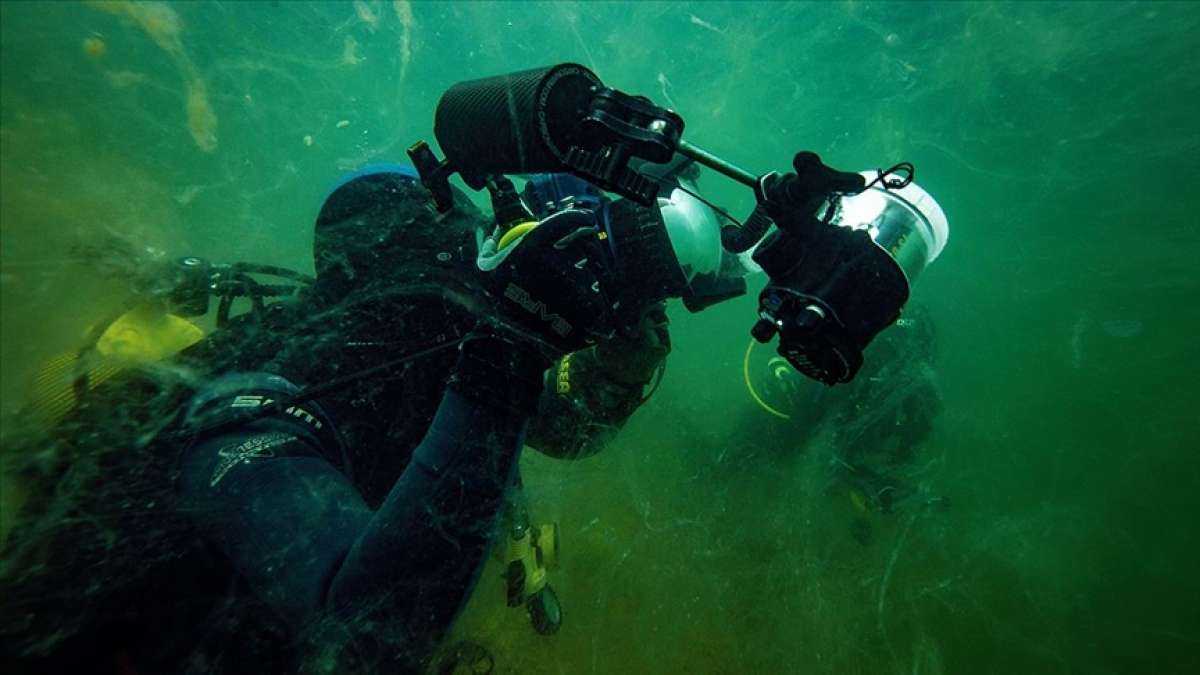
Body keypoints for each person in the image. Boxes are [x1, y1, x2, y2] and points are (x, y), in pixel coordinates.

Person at [0, 164, 673, 674]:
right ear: (402, 272)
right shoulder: (260, 397)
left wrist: (622, 354)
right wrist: (508, 351)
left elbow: (557, 427)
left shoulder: (424, 373)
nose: (478, 286)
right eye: (460, 261)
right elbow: (366, 636)